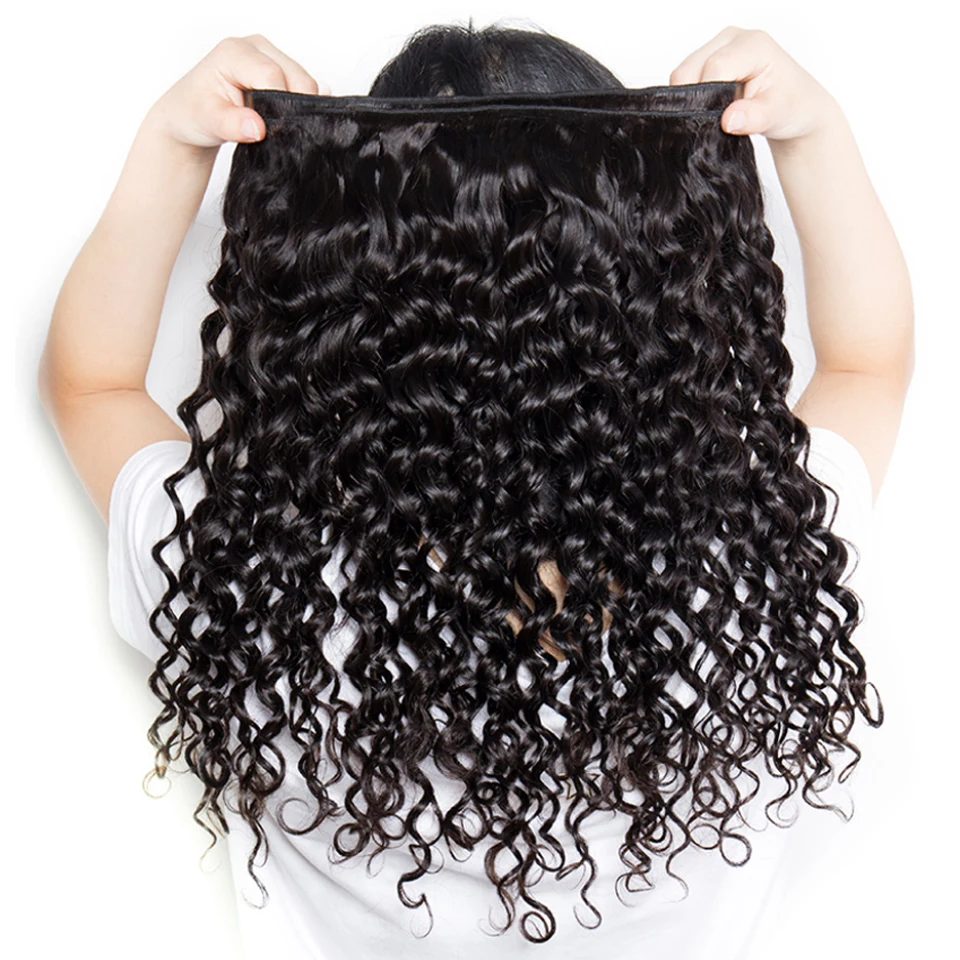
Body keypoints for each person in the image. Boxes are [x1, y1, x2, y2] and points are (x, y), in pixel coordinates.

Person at [37, 21, 913, 960]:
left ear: (342, 321)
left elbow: (91, 383)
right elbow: (866, 365)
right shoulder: (760, 573)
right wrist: (816, 134)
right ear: (646, 303)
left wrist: (171, 146)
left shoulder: (252, 593)